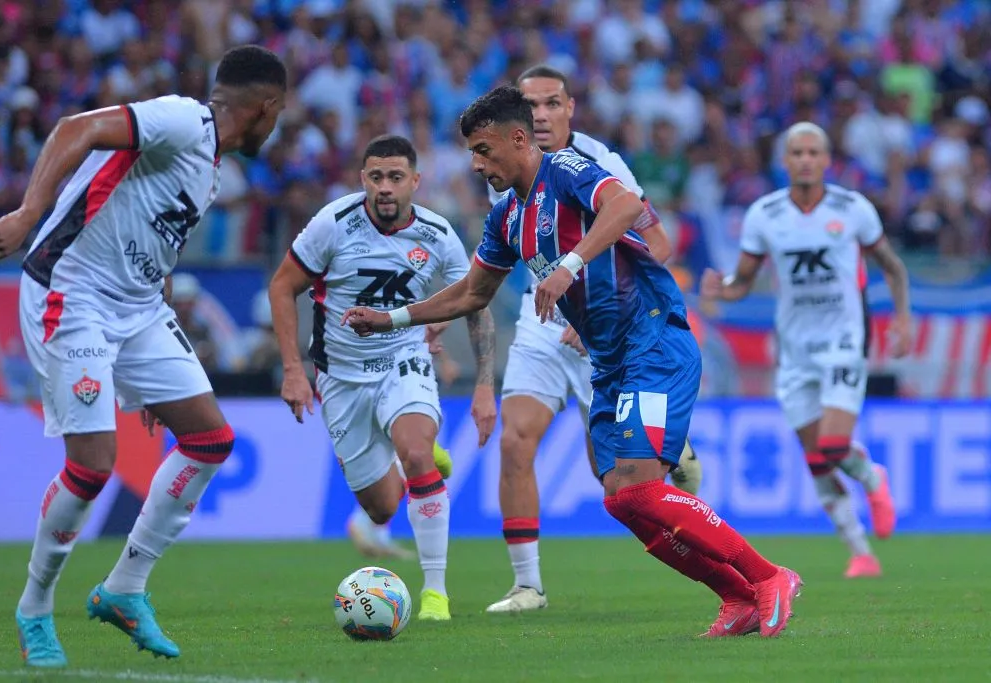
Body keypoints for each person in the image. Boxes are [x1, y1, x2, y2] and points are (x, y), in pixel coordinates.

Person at [343, 86, 802, 638]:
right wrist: (391, 319)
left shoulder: (565, 169)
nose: (476, 163)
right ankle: (736, 597)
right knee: (623, 503)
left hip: (652, 340)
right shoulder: (507, 217)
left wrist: (569, 263)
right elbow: (470, 294)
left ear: (518, 138)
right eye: (471, 152)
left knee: (639, 488)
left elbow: (627, 205)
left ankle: (769, 576)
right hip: (609, 362)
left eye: (484, 149)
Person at [0, 45, 287, 667]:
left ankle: (124, 588)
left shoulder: (210, 166)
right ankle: (34, 607)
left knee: (208, 439)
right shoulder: (183, 120)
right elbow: (76, 128)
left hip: (138, 307)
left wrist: (147, 382)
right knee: (92, 464)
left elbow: (151, 239)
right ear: (266, 108)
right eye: (277, 117)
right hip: (73, 291)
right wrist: (31, 210)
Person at [484, 64, 702, 614]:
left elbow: (658, 241)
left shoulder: (600, 163)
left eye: (551, 103)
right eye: (529, 105)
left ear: (570, 108)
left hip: (603, 326)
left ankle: (672, 465)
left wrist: (605, 303)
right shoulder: (504, 165)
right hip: (542, 320)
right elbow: (488, 264)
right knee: (516, 440)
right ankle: (526, 584)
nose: (539, 115)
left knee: (611, 479)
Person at [268, 134, 497, 621]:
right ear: (362, 180)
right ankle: (415, 453)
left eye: (396, 177)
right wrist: (293, 369)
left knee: (415, 455)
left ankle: (436, 594)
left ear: (415, 181)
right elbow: (283, 286)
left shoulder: (437, 234)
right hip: (341, 377)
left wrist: (483, 382)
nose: (385, 187)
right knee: (380, 509)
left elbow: (474, 299)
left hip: (403, 359)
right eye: (376, 177)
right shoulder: (332, 224)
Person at [700, 122, 909, 578]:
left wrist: (904, 320)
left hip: (844, 339)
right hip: (793, 348)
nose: (806, 159)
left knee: (832, 445)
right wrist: (722, 288)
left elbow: (892, 267)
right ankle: (860, 551)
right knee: (816, 459)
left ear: (827, 158)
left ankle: (872, 478)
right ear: (786, 160)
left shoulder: (853, 209)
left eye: (814, 151)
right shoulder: (765, 214)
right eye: (797, 152)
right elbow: (744, 283)